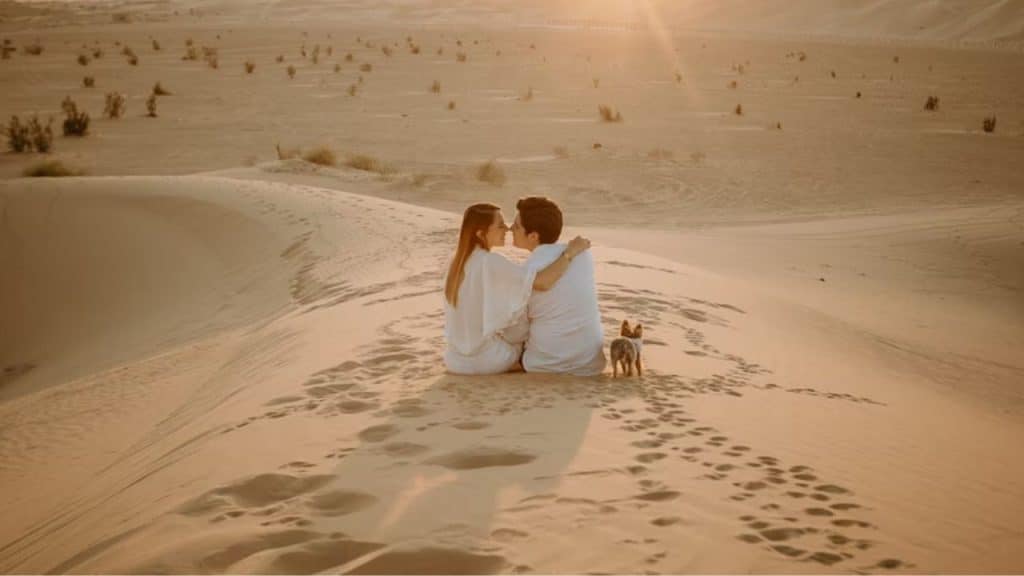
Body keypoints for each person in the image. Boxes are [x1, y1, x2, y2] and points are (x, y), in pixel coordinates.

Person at [443, 203, 590, 375]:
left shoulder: (455, 263)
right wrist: (569, 253)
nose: (507, 229)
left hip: (454, 360)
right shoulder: (490, 261)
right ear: (481, 234)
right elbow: (543, 282)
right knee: (522, 331)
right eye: (500, 225)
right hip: (486, 361)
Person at [511, 197, 606, 376]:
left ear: (533, 236)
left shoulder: (529, 270)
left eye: (516, 226)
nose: (510, 229)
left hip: (547, 363)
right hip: (590, 362)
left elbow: (518, 329)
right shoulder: (583, 255)